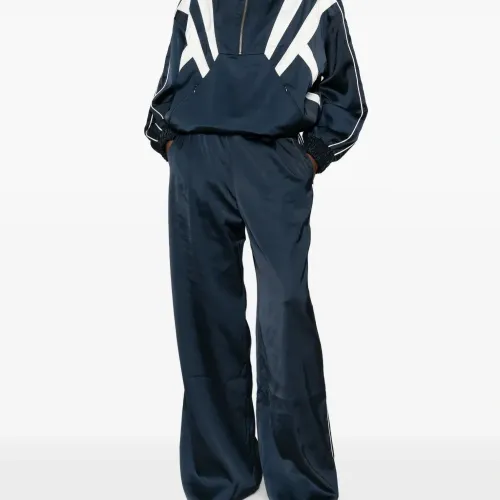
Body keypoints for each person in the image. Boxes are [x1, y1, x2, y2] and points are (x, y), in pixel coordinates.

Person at [143, 0, 367, 498]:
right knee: (204, 317)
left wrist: (310, 157)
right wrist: (172, 143)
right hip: (198, 159)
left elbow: (348, 97)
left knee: (283, 317)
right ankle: (222, 475)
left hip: (274, 161)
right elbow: (172, 76)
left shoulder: (317, 4)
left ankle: (299, 483)